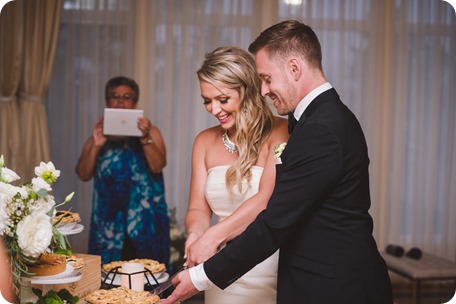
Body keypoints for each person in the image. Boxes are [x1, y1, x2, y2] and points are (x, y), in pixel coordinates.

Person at [162, 20, 393, 304]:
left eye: (267, 79)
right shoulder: (314, 121)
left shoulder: (319, 129)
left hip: (333, 287)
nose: (263, 91)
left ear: (294, 68)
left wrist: (201, 272)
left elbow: (273, 219)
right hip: (304, 279)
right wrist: (198, 236)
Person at [183, 46, 289, 304]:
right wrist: (195, 235)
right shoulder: (204, 142)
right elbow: (198, 209)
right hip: (219, 269)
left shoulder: (281, 131)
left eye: (222, 99)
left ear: (248, 91)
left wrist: (211, 237)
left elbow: (265, 200)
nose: (213, 109)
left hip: (269, 267)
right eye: (207, 100)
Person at [75, 76, 170, 266]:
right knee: (107, 286)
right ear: (107, 101)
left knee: (148, 281)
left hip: (145, 223)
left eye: (127, 96)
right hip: (108, 226)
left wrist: (145, 138)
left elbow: (158, 165)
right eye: (114, 96)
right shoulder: (98, 136)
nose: (120, 101)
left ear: (134, 102)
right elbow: (83, 174)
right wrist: (96, 145)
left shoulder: (152, 132)